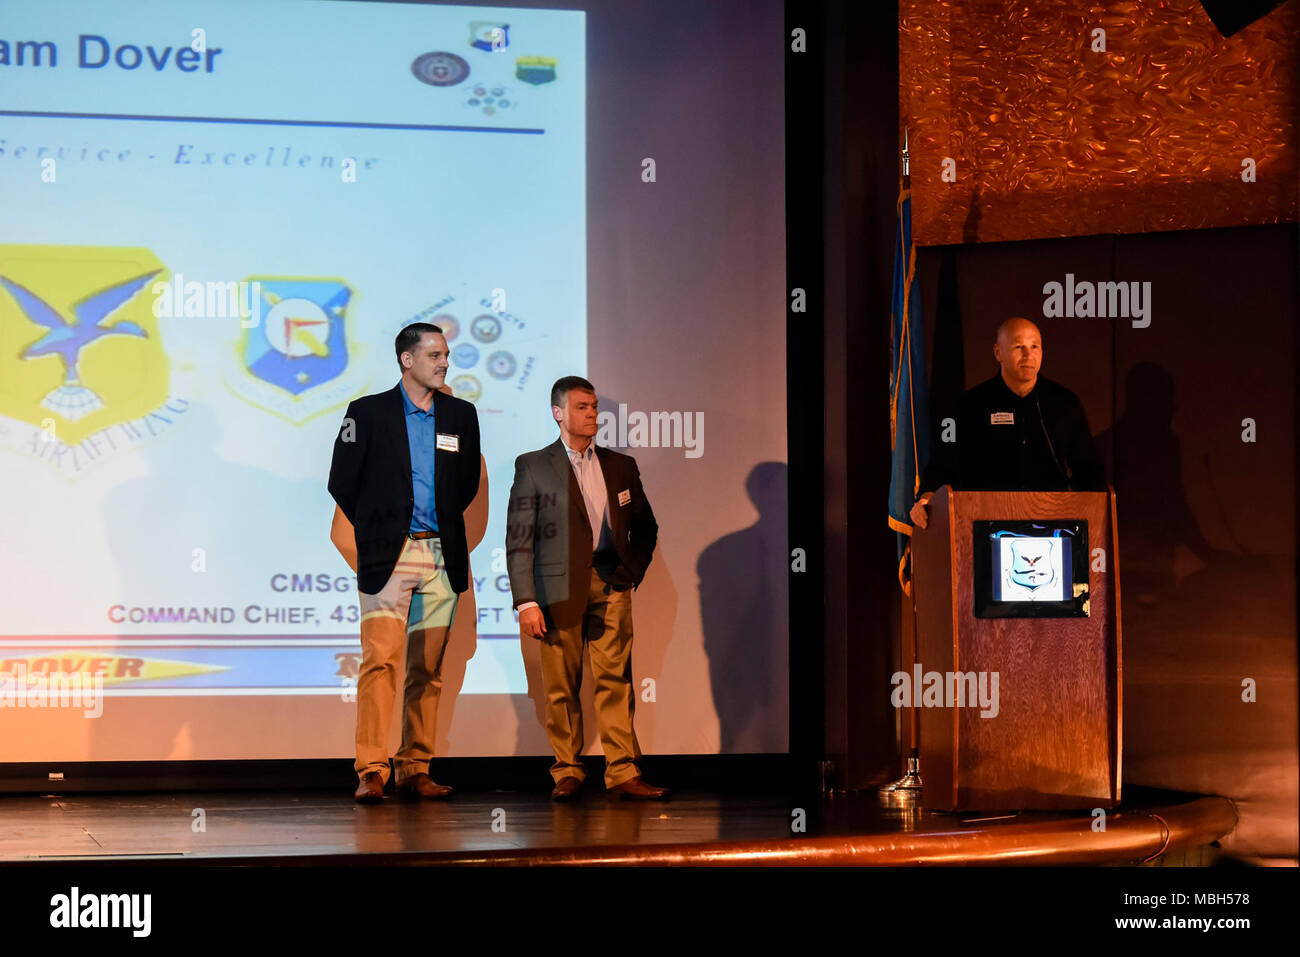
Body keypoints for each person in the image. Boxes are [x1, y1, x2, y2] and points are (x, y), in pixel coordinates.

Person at [328, 322, 481, 803]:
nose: (444, 362)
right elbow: (342, 481)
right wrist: (378, 531)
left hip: (440, 555)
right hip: (390, 558)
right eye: (434, 354)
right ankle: (372, 769)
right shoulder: (367, 412)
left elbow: (468, 484)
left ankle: (415, 765)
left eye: (446, 354)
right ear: (406, 360)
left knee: (428, 668)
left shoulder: (461, 414)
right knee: (380, 663)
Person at [506, 376, 666, 801]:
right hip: (557, 591)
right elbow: (519, 537)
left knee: (617, 680)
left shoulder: (620, 465)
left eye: (594, 406)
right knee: (560, 686)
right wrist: (525, 601)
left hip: (612, 582)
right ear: (558, 413)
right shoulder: (533, 465)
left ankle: (623, 772)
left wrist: (632, 568)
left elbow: (646, 526)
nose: (592, 413)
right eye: (581, 407)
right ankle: (567, 771)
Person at [911, 317, 1104, 529]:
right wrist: (926, 498)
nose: (1028, 355)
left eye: (1035, 346)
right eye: (1018, 346)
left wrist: (1076, 506)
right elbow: (942, 465)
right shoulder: (966, 406)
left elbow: (1089, 472)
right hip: (982, 523)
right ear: (997, 352)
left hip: (1052, 523)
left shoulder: (1066, 403)